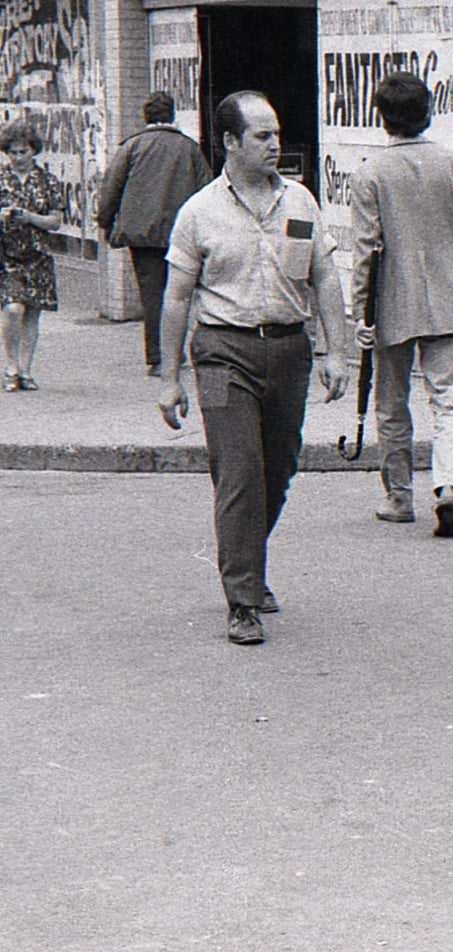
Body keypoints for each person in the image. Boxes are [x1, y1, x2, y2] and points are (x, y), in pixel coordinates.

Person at [158, 92, 351, 646]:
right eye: (262, 136)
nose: (275, 145)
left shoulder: (300, 202)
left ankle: (246, 558)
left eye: (276, 134)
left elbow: (325, 278)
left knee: (278, 466)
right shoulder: (199, 212)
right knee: (239, 469)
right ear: (229, 143)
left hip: (288, 350)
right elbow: (176, 299)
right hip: (221, 351)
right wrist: (171, 379)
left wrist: (336, 353)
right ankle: (243, 597)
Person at [349, 72, 453, 539]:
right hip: (451, 298)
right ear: (428, 111)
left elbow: (366, 251)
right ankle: (448, 487)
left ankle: (398, 497)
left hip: (392, 303)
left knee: (392, 404)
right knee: (449, 400)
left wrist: (360, 312)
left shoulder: (369, 173)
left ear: (382, 117)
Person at [96, 91, 212, 377]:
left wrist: (105, 222)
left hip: (142, 235)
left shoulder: (132, 146)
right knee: (181, 293)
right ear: (172, 115)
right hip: (182, 234)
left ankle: (158, 357)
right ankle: (178, 353)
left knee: (152, 295)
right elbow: (207, 188)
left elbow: (111, 188)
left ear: (146, 116)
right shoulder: (189, 148)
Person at [0, 117, 62, 392]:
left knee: (32, 315)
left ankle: (25, 370)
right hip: (7, 256)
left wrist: (29, 217)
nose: (17, 157)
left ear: (33, 150)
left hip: (38, 256)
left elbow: (55, 221)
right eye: (12, 152)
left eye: (23, 151)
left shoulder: (47, 180)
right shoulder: (1, 179)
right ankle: (10, 366)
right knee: (13, 309)